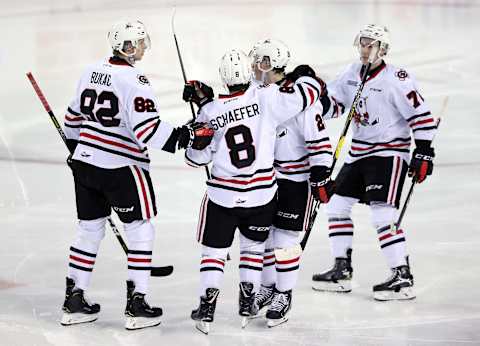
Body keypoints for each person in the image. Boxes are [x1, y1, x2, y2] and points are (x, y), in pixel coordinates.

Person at [60, 19, 213, 329]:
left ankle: (73, 301)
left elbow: (72, 117)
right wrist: (188, 136)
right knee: (141, 229)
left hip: (86, 165)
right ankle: (137, 304)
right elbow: (148, 131)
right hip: (122, 168)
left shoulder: (90, 70)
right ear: (127, 47)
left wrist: (76, 149)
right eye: (140, 42)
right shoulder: (135, 80)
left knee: (89, 229)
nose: (144, 47)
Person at [182, 49, 324, 334]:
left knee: (229, 250)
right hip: (263, 190)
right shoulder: (268, 97)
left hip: (239, 191)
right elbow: (312, 91)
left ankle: (276, 294)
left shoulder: (213, 110)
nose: (261, 66)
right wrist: (305, 82)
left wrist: (201, 114)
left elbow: (195, 158)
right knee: (259, 246)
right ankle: (253, 297)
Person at [311, 24, 437, 301]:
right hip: (360, 151)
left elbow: (421, 115)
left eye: (371, 45)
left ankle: (401, 276)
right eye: (363, 44)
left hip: (389, 153)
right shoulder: (350, 73)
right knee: (337, 205)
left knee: (383, 213)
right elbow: (335, 105)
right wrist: (315, 94)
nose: (365, 49)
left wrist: (424, 150)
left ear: (383, 49)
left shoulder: (397, 79)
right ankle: (341, 269)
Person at [247, 39, 335, 327]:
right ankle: (267, 287)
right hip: (264, 178)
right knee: (265, 237)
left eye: (258, 60)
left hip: (295, 180)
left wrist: (321, 173)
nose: (253, 65)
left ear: (268, 64)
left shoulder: (299, 100)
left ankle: (283, 294)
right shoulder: (257, 93)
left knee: (284, 240)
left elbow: (319, 141)